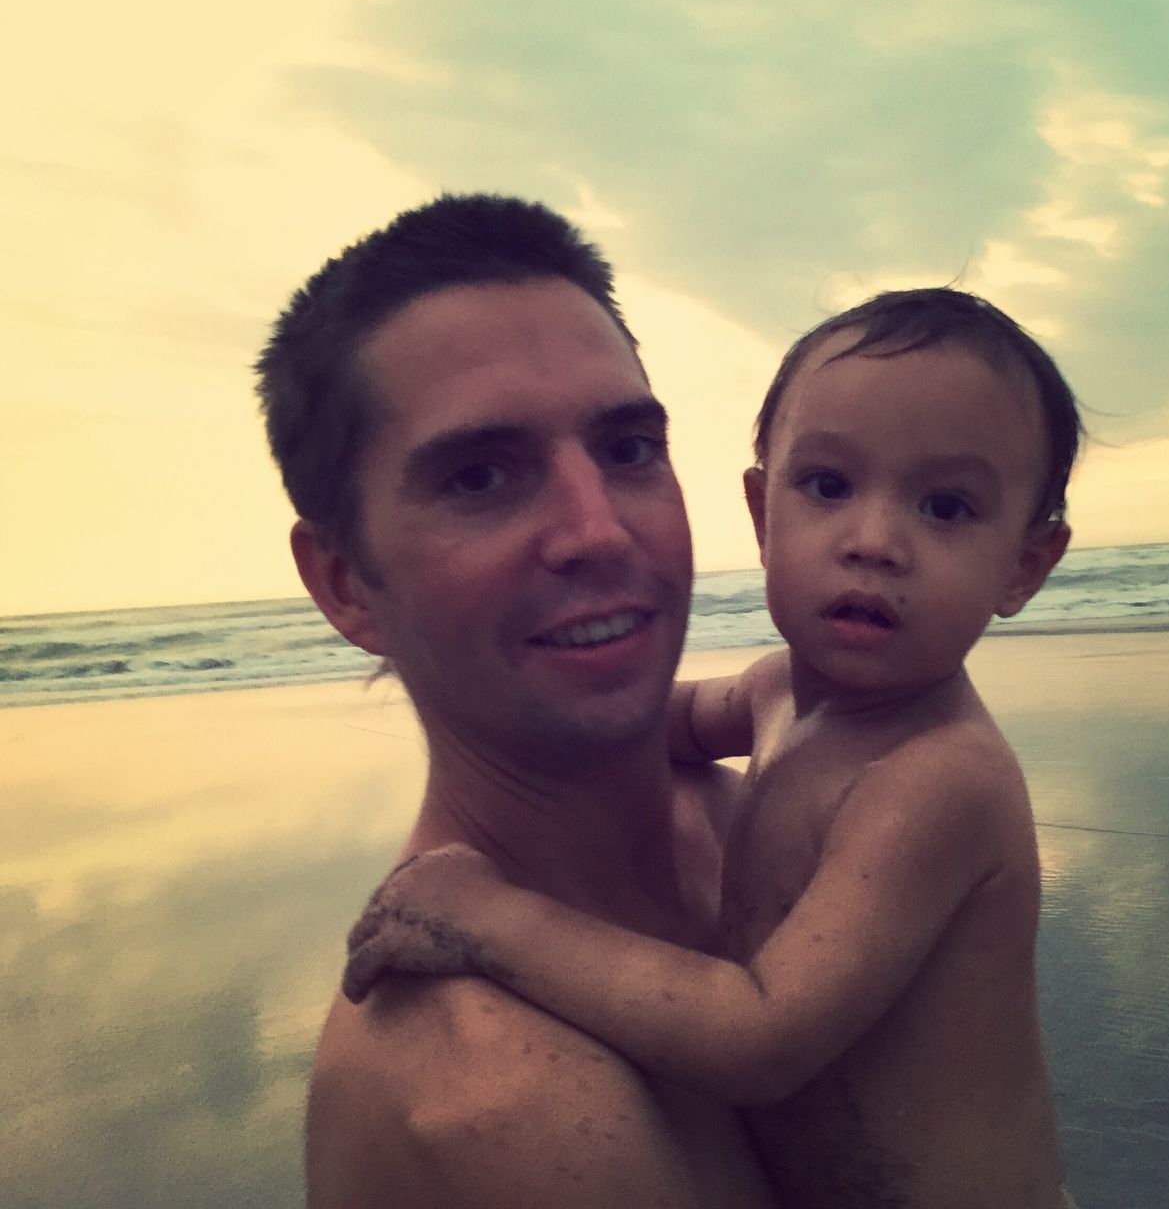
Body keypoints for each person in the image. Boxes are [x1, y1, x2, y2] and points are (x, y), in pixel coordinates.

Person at [344, 288, 1082, 1208]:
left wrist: (489, 917)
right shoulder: (774, 694)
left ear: (1025, 564)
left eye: (945, 506)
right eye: (828, 486)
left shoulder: (936, 779)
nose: (874, 541)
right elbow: (641, 717)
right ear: (762, 509)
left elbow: (762, 1038)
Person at [256, 193, 777, 1208]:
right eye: (481, 474)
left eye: (627, 449)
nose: (596, 529)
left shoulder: (752, 828)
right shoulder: (502, 1101)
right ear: (345, 583)